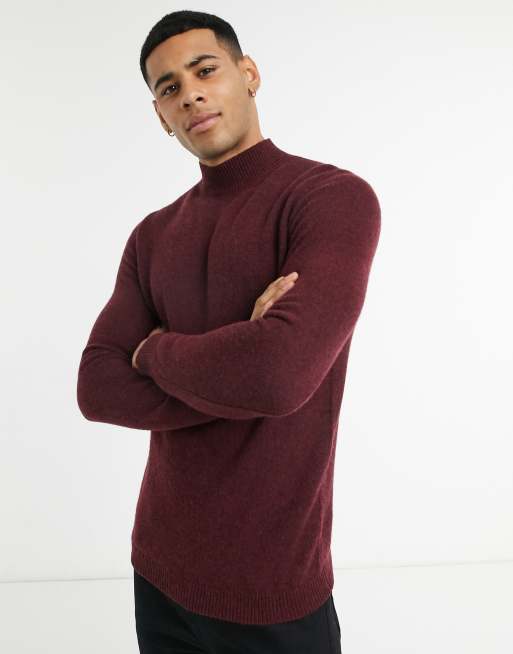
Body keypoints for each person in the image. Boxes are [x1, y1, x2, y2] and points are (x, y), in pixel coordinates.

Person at [77, 9, 381, 653]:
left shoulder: (330, 198)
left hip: (272, 586)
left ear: (249, 74)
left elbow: (277, 377)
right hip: (157, 569)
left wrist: (152, 350)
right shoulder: (152, 235)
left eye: (205, 70)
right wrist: (239, 352)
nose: (189, 93)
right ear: (161, 116)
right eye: (168, 87)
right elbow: (97, 387)